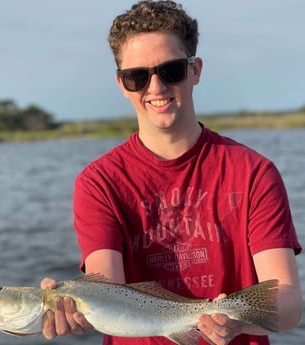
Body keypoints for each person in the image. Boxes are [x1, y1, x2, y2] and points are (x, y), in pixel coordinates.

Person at [41, 1, 302, 344]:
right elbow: (106, 283)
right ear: (122, 84)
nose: (156, 88)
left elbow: (287, 303)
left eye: (171, 71)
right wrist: (74, 309)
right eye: (138, 76)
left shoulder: (254, 172)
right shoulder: (99, 182)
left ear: (195, 71)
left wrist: (236, 321)